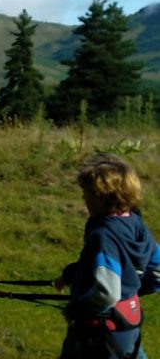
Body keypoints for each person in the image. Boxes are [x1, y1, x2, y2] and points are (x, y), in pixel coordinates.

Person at [56, 153, 160, 359]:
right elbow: (157, 270)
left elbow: (107, 293)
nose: (84, 198)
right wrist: (130, 293)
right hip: (128, 325)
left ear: (103, 196)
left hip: (98, 333)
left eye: (87, 192)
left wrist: (75, 309)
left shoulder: (103, 236)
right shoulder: (134, 222)